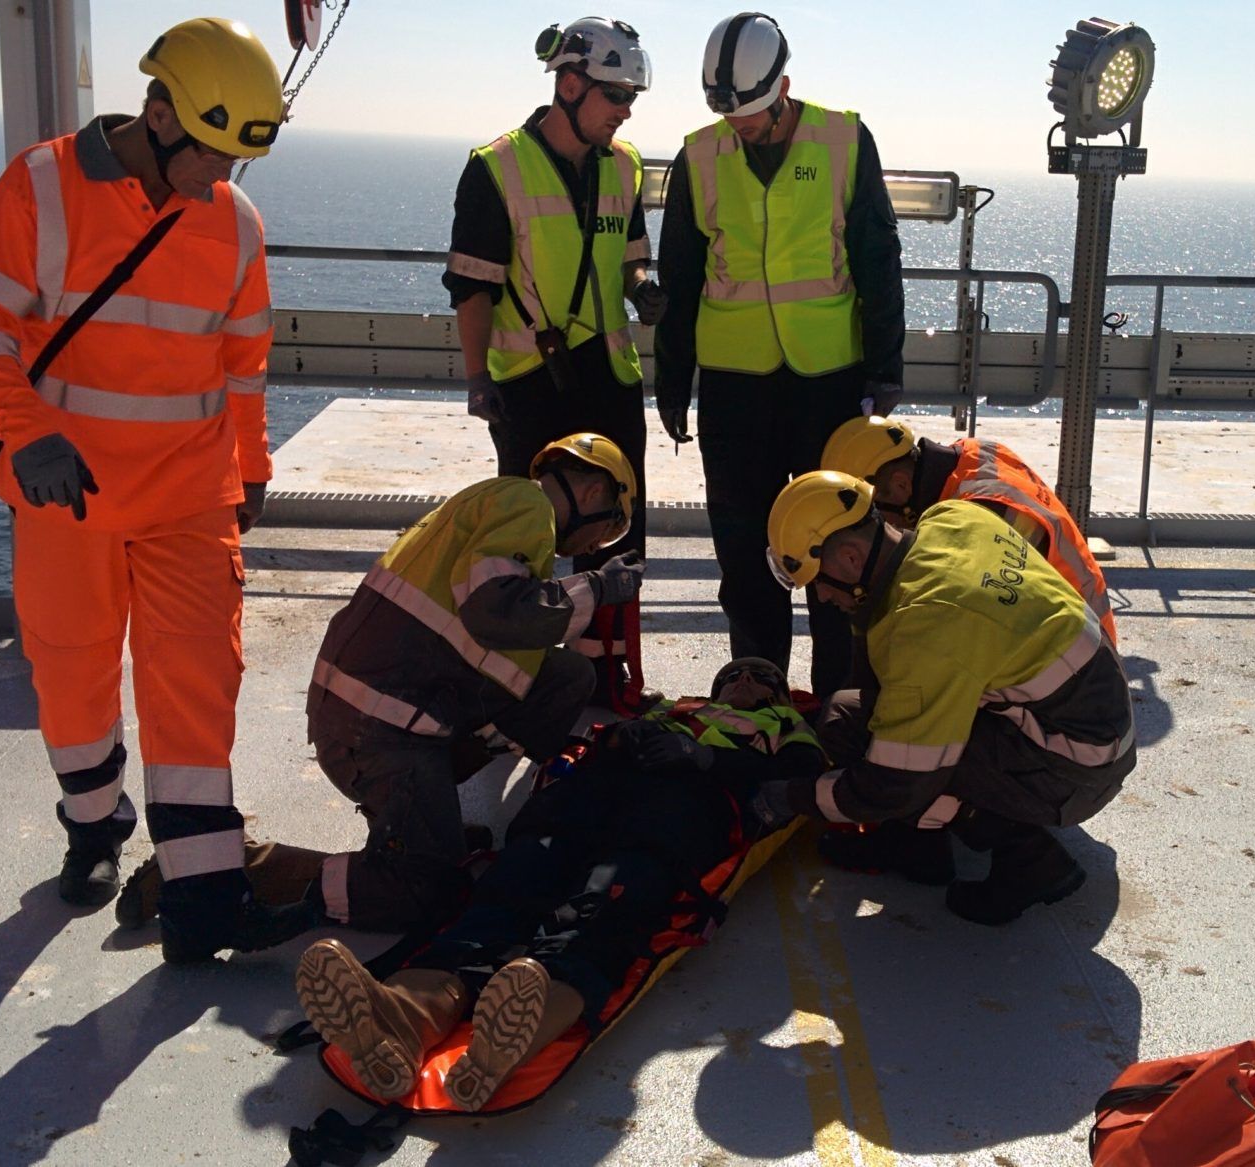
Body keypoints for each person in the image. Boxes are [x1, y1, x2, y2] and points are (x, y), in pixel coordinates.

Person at [0, 17, 309, 961]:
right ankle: (94, 829)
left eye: (235, 158)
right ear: (157, 115)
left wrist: (252, 473)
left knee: (197, 684)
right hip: (69, 496)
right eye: (210, 152)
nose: (219, 176)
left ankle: (203, 902)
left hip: (189, 494)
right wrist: (27, 436)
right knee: (73, 672)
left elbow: (243, 367)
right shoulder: (41, 186)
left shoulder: (233, 220)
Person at [292, 656, 824, 1111]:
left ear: (778, 695)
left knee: (600, 910)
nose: (746, 680)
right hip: (582, 809)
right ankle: (405, 1019)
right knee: (509, 889)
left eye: (761, 677)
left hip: (669, 820)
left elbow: (798, 778)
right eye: (735, 675)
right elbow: (595, 742)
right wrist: (625, 734)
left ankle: (518, 1029)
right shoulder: (668, 711)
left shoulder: (784, 727)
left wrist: (706, 758)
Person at [294, 433, 645, 942]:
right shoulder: (528, 506)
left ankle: (422, 812)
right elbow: (494, 610)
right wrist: (597, 587)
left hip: (378, 712)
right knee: (429, 890)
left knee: (567, 677)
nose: (594, 548)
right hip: (377, 731)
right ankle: (258, 874)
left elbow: (498, 626)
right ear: (593, 494)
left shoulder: (497, 501)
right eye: (607, 530)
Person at [755, 471, 1137, 925]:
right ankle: (918, 847)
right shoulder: (952, 518)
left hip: (1078, 766)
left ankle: (1032, 862)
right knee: (847, 716)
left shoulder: (928, 625)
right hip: (1090, 719)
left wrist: (790, 798)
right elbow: (879, 685)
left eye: (819, 582)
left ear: (852, 558)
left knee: (910, 763)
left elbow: (894, 780)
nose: (820, 595)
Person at [654, 11, 905, 700]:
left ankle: (837, 701)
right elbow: (679, 275)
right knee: (745, 553)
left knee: (837, 546)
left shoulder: (845, 140)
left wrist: (885, 369)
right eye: (731, 116)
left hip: (830, 384)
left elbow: (879, 257)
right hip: (735, 391)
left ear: (783, 87)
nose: (742, 129)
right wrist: (671, 381)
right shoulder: (700, 155)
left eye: (754, 118)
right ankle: (760, 694)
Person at [444, 16, 661, 714]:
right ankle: (523, 682)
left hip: (609, 374)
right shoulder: (496, 167)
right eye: (615, 95)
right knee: (527, 542)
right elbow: (473, 287)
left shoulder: (624, 165)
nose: (625, 111)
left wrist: (644, 291)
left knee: (617, 532)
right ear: (569, 84)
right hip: (529, 384)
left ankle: (608, 679)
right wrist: (477, 378)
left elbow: (629, 260)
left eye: (631, 98)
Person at [819, 415, 1119, 648]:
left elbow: (972, 630)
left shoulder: (978, 520)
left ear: (900, 485)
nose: (874, 526)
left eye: (872, 513)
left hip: (1075, 658)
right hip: (1083, 634)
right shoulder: (976, 452)